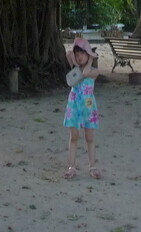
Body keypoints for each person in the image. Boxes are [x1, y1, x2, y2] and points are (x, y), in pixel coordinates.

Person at [63, 36, 101, 179]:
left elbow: (85, 73)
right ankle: (71, 166)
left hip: (88, 107)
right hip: (74, 106)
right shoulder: (75, 69)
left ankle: (92, 166)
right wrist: (76, 54)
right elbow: (68, 53)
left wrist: (91, 58)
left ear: (88, 55)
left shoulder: (94, 72)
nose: (78, 57)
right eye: (77, 54)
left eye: (82, 54)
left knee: (89, 137)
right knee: (74, 137)